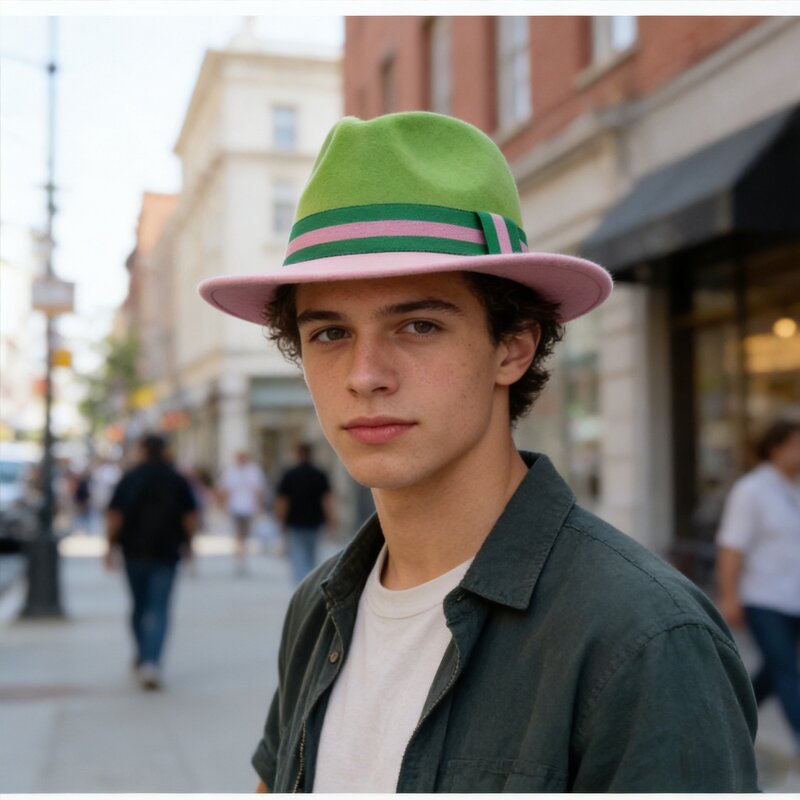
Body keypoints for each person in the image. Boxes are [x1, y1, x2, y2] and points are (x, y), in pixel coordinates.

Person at [199, 112, 758, 791]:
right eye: (329, 334)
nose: (365, 374)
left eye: (419, 324)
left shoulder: (641, 637)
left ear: (512, 347)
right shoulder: (317, 607)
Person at [717, 418, 800, 752]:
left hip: (794, 597)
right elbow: (731, 547)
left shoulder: (794, 490)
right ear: (777, 448)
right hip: (763, 598)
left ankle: (728, 718)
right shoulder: (751, 490)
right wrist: (729, 596)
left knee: (772, 672)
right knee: (786, 671)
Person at [105, 433, 197, 690]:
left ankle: (145, 653)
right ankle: (151, 661)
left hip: (134, 552)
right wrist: (190, 546)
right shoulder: (176, 479)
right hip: (167, 552)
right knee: (159, 608)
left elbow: (115, 516)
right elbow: (189, 517)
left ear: (143, 450)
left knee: (139, 605)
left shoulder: (130, 478)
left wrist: (108, 548)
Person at [275, 443, 335, 584]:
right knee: (311, 553)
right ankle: (310, 582)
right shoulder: (319, 474)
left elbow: (282, 501)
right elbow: (327, 500)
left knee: (297, 554)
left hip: (294, 521)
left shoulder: (290, 474)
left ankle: (301, 585)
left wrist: (281, 520)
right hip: (314, 520)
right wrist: (330, 520)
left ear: (297, 454)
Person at [219, 451, 270, 575]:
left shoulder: (253, 471)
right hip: (235, 508)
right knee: (237, 534)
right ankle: (238, 558)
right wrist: (223, 506)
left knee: (245, 534)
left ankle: (241, 556)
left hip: (248, 508)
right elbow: (224, 490)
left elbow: (259, 490)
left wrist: (260, 506)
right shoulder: (231, 471)